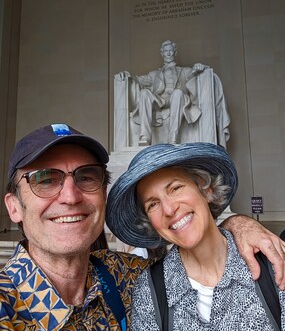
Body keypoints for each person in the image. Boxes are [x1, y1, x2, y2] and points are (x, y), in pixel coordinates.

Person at [1, 124, 284, 330]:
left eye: (86, 176)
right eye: (45, 179)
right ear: (14, 206)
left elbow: (196, 249)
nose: (71, 196)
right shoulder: (6, 305)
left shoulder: (126, 276)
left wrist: (237, 225)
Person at [106, 142, 285, 330]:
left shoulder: (274, 262)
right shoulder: (149, 291)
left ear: (205, 188)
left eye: (175, 188)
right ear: (150, 222)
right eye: (153, 204)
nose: (169, 209)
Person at [116, 40, 230, 146]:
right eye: (166, 51)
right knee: (145, 93)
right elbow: (138, 79)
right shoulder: (154, 74)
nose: (168, 53)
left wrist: (200, 67)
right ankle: (145, 136)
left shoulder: (184, 71)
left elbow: (195, 73)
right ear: (162, 53)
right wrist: (127, 76)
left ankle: (173, 137)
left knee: (178, 93)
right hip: (159, 101)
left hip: (177, 100)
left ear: (175, 52)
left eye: (170, 50)